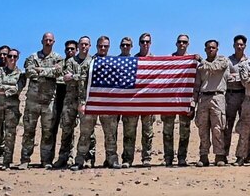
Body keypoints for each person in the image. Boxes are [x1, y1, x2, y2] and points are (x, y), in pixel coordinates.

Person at [19, 32, 62, 169]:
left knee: (47, 132)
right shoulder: (33, 57)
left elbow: (58, 72)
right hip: (33, 100)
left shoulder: (58, 58)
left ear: (54, 42)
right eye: (46, 40)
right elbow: (29, 72)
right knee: (28, 131)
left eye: (50, 40)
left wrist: (40, 70)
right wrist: (48, 71)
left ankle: (46, 160)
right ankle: (25, 160)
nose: (48, 42)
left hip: (49, 101)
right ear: (41, 41)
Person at [75, 36, 118, 169]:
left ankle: (112, 160)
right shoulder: (90, 62)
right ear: (96, 46)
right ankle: (80, 160)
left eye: (105, 46)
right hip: (90, 104)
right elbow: (82, 84)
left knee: (110, 134)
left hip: (107, 105)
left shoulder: (113, 62)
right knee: (85, 134)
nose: (103, 48)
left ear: (109, 47)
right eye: (100, 46)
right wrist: (82, 103)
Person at [54, 37, 92, 169]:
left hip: (86, 101)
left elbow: (85, 79)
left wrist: (75, 76)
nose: (84, 46)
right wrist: (81, 77)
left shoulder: (92, 61)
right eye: (82, 44)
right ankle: (63, 157)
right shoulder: (70, 61)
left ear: (89, 46)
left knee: (86, 132)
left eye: (86, 44)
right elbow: (66, 78)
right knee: (66, 130)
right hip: (69, 100)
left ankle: (83, 159)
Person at [121, 32, 157, 167]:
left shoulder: (156, 61)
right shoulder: (132, 60)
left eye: (147, 41)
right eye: (142, 42)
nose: (145, 44)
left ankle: (146, 158)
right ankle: (127, 159)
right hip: (133, 102)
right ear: (139, 43)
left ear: (150, 43)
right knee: (129, 132)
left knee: (148, 132)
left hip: (148, 102)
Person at [195, 39, 231, 166]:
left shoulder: (223, 61)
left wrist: (201, 61)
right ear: (205, 49)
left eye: (213, 48)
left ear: (217, 49)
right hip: (203, 98)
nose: (211, 49)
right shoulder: (200, 67)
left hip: (217, 97)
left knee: (218, 128)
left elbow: (215, 68)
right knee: (203, 128)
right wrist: (193, 102)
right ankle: (203, 155)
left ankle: (219, 155)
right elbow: (197, 85)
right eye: (208, 48)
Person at [0, 50, 23, 169]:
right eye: (9, 56)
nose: (12, 58)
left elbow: (18, 88)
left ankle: (6, 162)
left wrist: (5, 89)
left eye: (14, 56)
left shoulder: (21, 74)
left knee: (10, 134)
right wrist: (10, 88)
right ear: (6, 58)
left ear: (17, 58)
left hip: (12, 108)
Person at [161, 34, 193, 166]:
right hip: (170, 100)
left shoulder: (192, 61)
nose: (182, 44)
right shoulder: (169, 59)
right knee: (167, 130)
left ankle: (182, 157)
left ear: (188, 44)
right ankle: (168, 157)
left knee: (184, 131)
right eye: (179, 42)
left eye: (184, 42)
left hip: (185, 100)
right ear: (176, 43)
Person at [223, 35, 249, 159]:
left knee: (246, 125)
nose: (239, 46)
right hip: (231, 95)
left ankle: (246, 154)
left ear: (245, 46)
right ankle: (223, 154)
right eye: (237, 44)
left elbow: (248, 77)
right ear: (233, 46)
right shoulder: (228, 61)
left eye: (241, 44)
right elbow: (226, 76)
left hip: (244, 95)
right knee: (228, 125)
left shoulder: (249, 61)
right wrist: (238, 77)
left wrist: (237, 77)